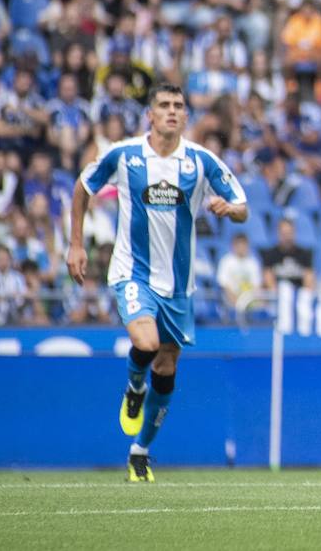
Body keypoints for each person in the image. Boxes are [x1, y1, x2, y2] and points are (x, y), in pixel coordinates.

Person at [66, 83, 249, 483]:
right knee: (146, 344)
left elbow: (243, 207)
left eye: (178, 107)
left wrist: (227, 208)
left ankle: (140, 452)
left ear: (186, 117)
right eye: (163, 105)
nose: (171, 111)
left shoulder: (200, 161)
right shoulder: (125, 154)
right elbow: (83, 186)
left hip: (179, 287)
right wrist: (76, 244)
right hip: (133, 272)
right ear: (150, 115)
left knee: (166, 367)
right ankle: (134, 387)